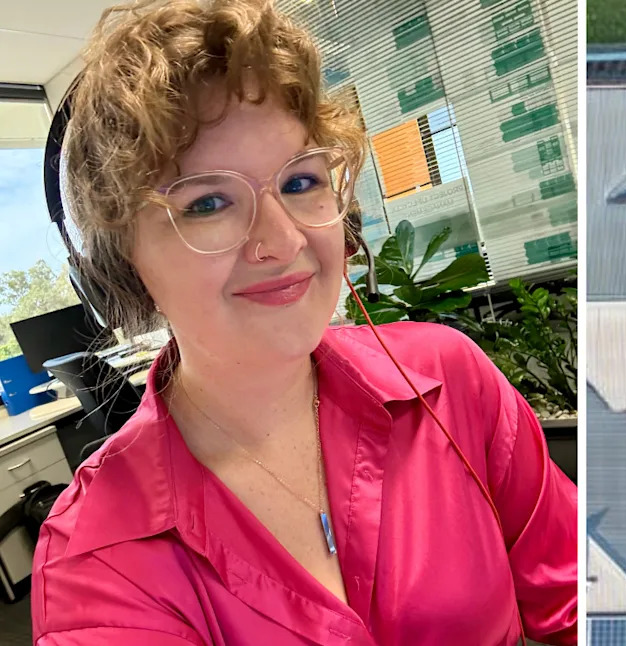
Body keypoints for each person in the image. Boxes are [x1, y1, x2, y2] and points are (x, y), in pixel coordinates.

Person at [31, 1, 578, 644]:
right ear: (122, 264)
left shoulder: (446, 380)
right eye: (208, 202)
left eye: (300, 182)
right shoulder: (99, 556)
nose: (285, 240)